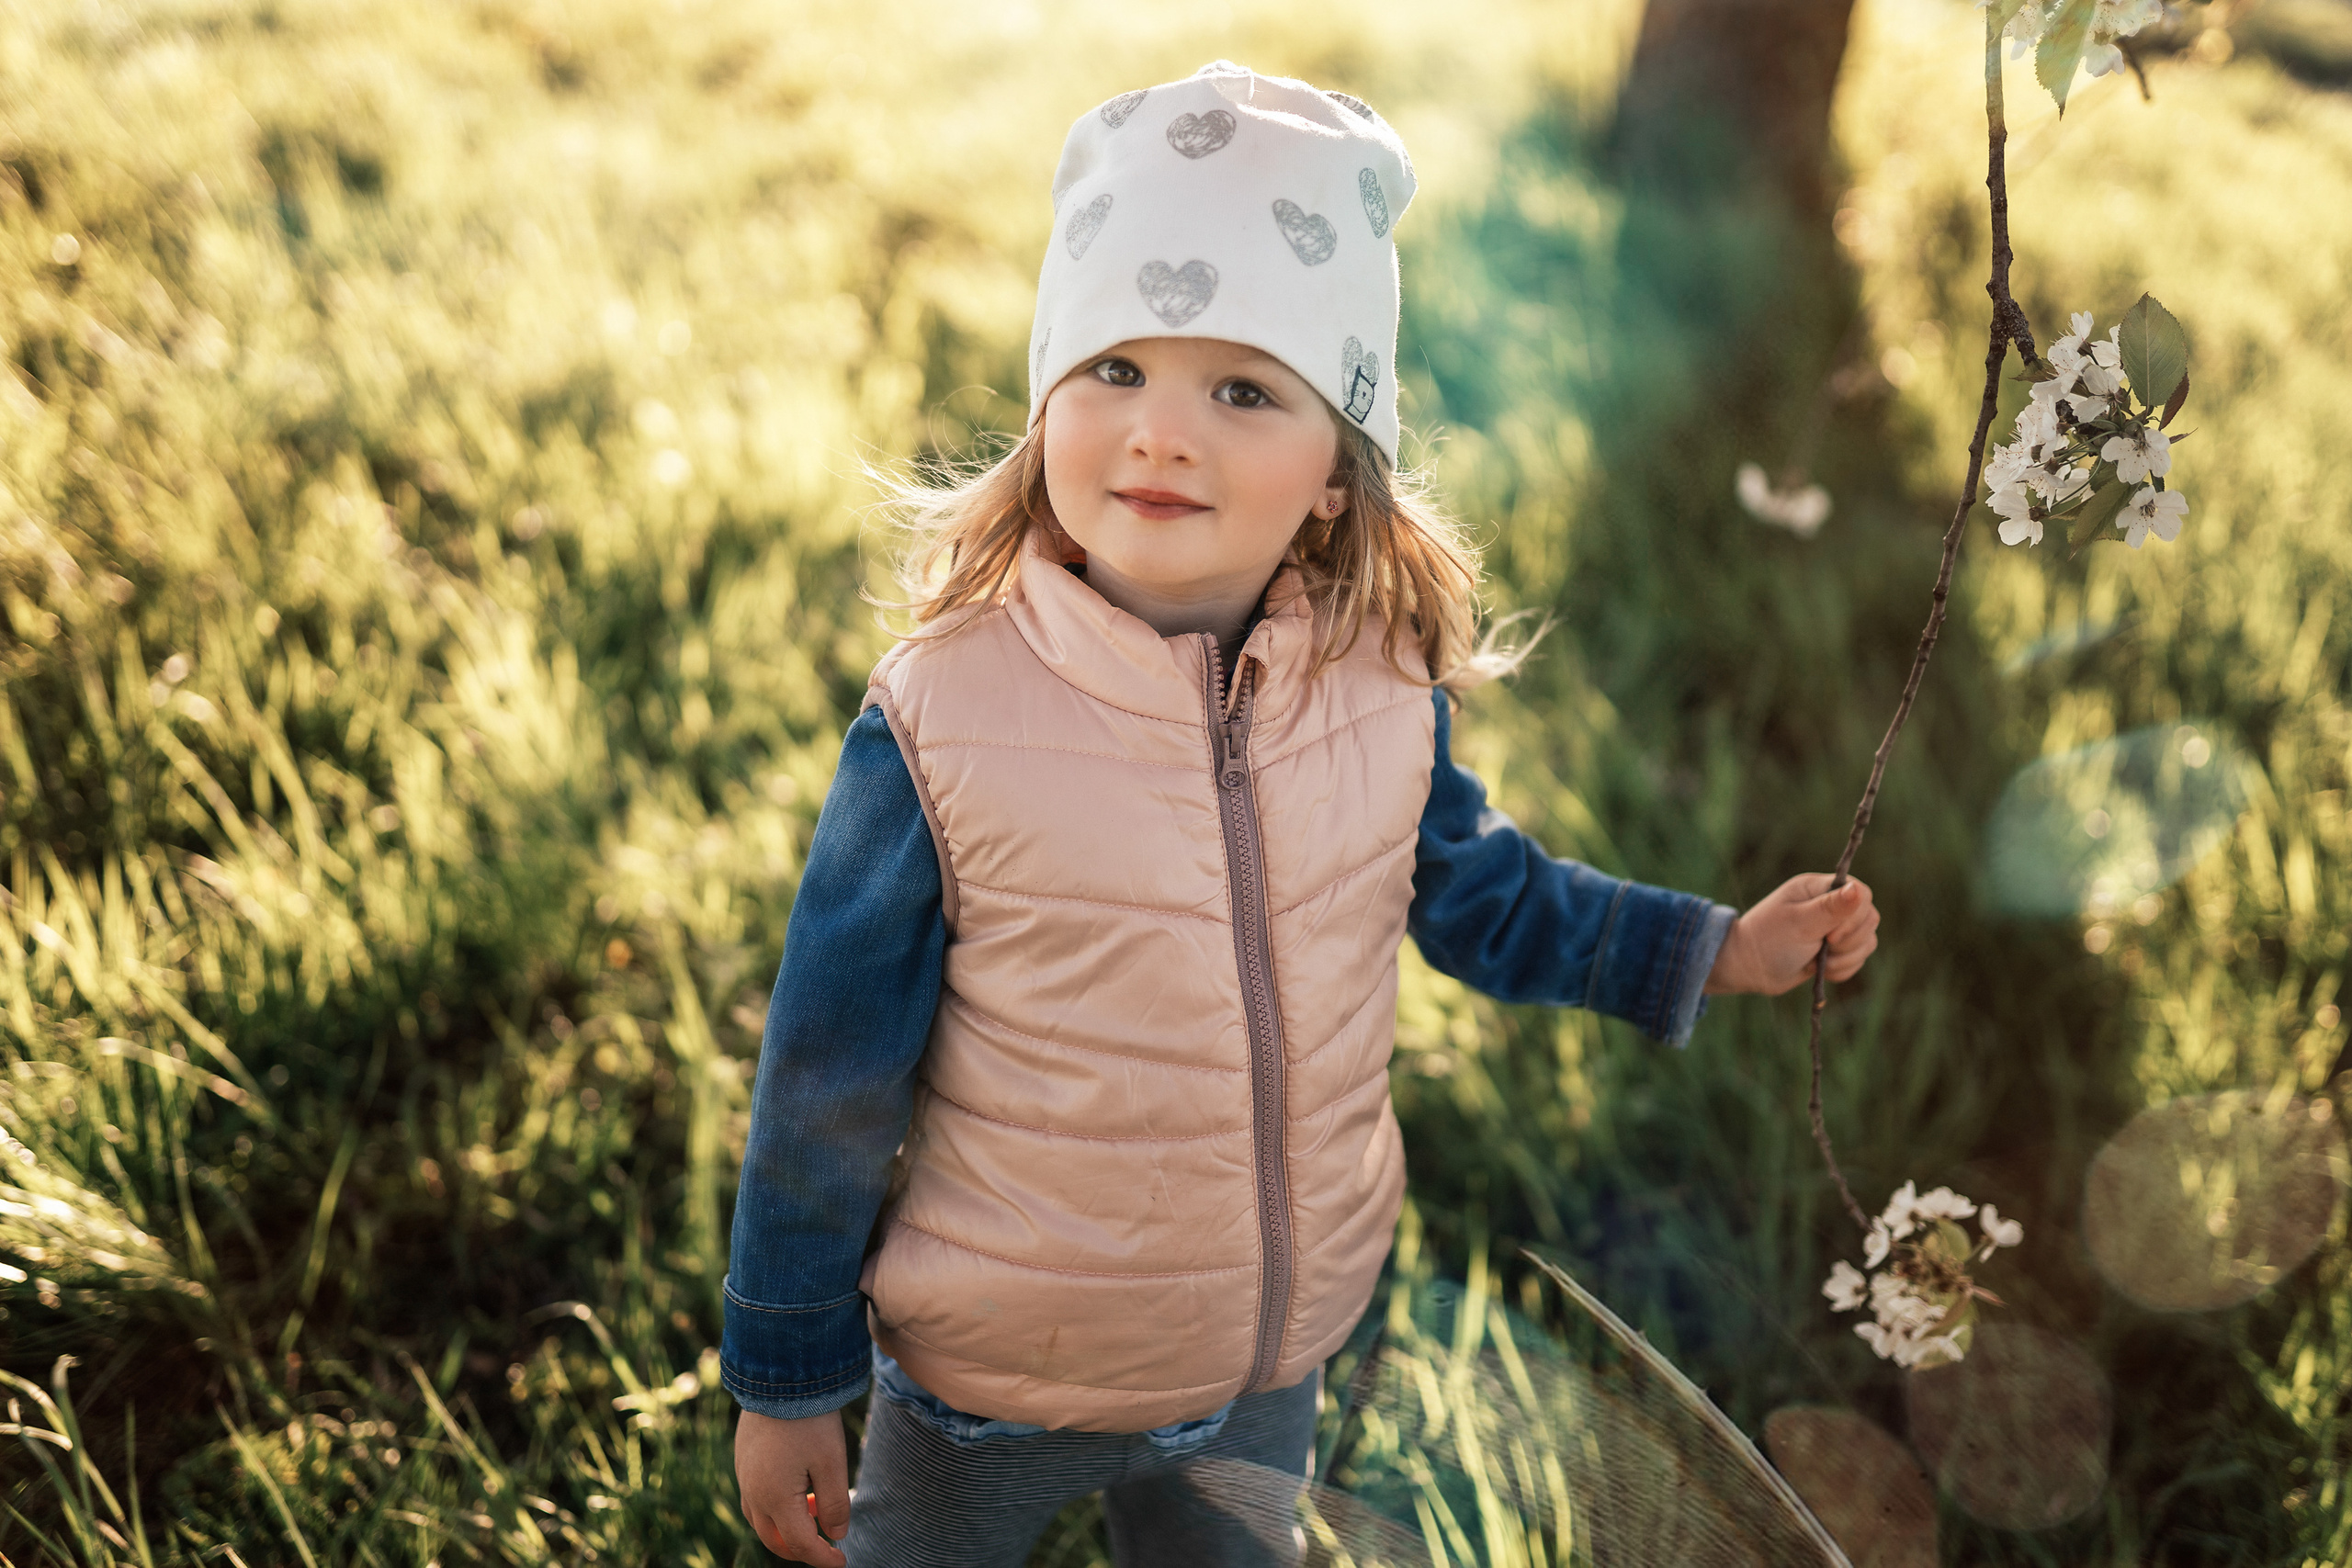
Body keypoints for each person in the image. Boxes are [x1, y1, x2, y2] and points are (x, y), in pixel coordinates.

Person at [721, 61, 1879, 1567]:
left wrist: (1711, 950)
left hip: (1265, 1356)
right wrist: (788, 1375)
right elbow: (825, 1073)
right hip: (987, 1377)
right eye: (1115, 371)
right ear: (1045, 403)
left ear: (1338, 474)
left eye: (1244, 390)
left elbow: (1488, 897)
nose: (1161, 434)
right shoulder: (945, 721)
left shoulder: (1383, 687)